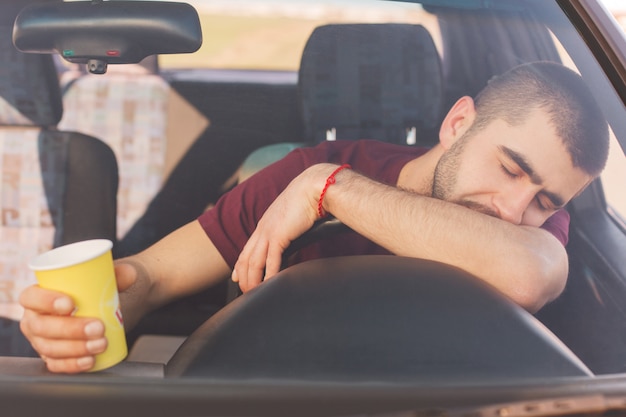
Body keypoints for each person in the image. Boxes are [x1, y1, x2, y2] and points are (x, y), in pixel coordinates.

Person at [19, 61, 609, 373]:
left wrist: (333, 190)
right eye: (509, 168)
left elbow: (529, 275)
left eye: (546, 200)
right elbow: (152, 277)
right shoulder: (296, 173)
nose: (514, 211)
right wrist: (87, 318)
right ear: (459, 124)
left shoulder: (530, 226)